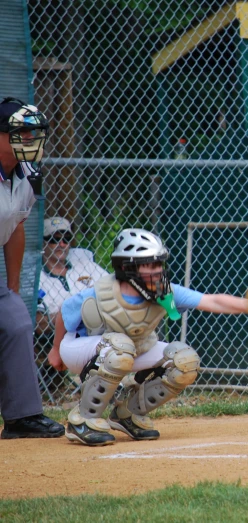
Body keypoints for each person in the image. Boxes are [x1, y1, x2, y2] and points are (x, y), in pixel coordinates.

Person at [47, 228, 248, 446]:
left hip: (126, 350)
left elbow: (211, 301)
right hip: (80, 348)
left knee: (184, 361)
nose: (158, 271)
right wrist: (55, 351)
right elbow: (64, 313)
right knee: (120, 348)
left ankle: (127, 414)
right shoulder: (102, 292)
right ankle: (84, 419)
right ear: (127, 268)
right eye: (150, 265)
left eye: (159, 264)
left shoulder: (164, 290)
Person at [0, 97, 64, 439]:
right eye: (22, 132)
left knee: (17, 323)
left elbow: (15, 227)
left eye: (34, 133)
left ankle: (21, 418)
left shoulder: (28, 174)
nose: (30, 140)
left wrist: (11, 286)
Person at [36, 216, 109, 337]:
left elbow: (113, 289)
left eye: (66, 239)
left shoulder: (86, 264)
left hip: (101, 329)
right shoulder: (37, 278)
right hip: (64, 337)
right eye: (55, 239)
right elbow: (39, 324)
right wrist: (81, 311)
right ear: (43, 242)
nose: (62, 244)